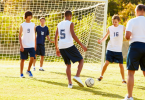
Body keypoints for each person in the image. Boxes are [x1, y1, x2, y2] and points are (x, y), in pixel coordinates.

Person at [55, 10, 87, 88]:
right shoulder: (70, 23)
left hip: (61, 46)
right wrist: (82, 45)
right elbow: (73, 35)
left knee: (68, 65)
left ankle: (70, 83)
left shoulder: (59, 24)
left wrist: (57, 48)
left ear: (64, 16)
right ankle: (77, 76)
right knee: (81, 60)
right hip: (69, 45)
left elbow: (55, 37)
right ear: (70, 16)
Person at [123, 4, 145, 100]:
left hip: (135, 47)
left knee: (131, 73)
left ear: (136, 11)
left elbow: (127, 36)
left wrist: (127, 37)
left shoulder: (132, 21)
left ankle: (130, 97)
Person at [97, 15, 126, 84]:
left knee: (121, 65)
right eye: (113, 22)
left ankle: (123, 80)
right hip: (110, 48)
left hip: (118, 50)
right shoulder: (110, 28)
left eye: (115, 22)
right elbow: (106, 36)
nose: (114, 23)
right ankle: (101, 76)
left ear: (119, 21)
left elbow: (128, 33)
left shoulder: (122, 27)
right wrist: (101, 41)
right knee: (106, 63)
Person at [19, 11, 36, 78]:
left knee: (32, 58)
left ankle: (28, 70)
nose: (30, 17)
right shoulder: (22, 25)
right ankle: (21, 73)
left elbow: (35, 35)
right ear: (25, 16)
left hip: (31, 45)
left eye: (31, 15)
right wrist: (21, 45)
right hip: (24, 45)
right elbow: (19, 35)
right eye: (29, 15)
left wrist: (35, 45)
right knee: (23, 59)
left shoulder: (33, 24)